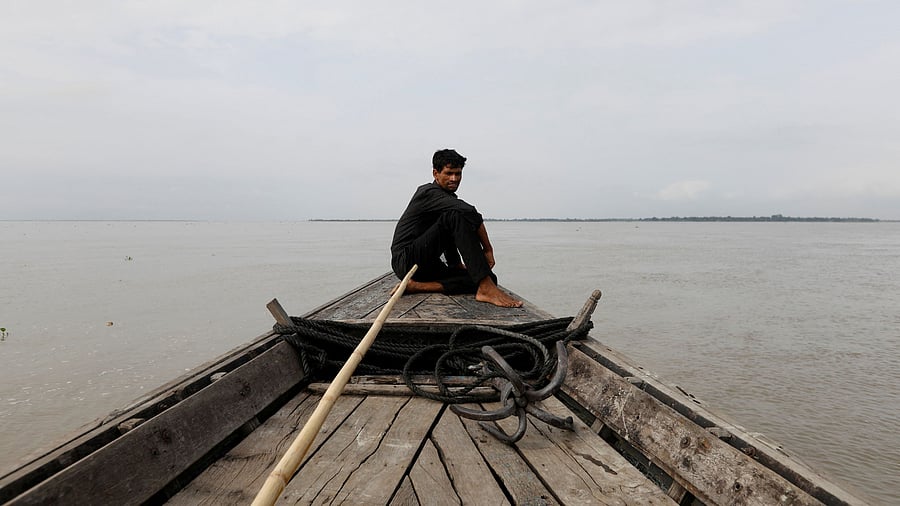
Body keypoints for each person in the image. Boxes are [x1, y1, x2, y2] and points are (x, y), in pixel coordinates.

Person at [390, 149, 522, 308]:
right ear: (435, 173)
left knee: (488, 278)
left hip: (427, 265)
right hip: (406, 261)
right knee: (456, 215)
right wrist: (488, 250)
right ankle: (486, 289)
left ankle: (418, 286)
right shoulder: (427, 192)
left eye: (458, 174)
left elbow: (446, 233)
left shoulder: (448, 199)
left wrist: (456, 264)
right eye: (449, 173)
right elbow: (469, 212)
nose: (454, 178)